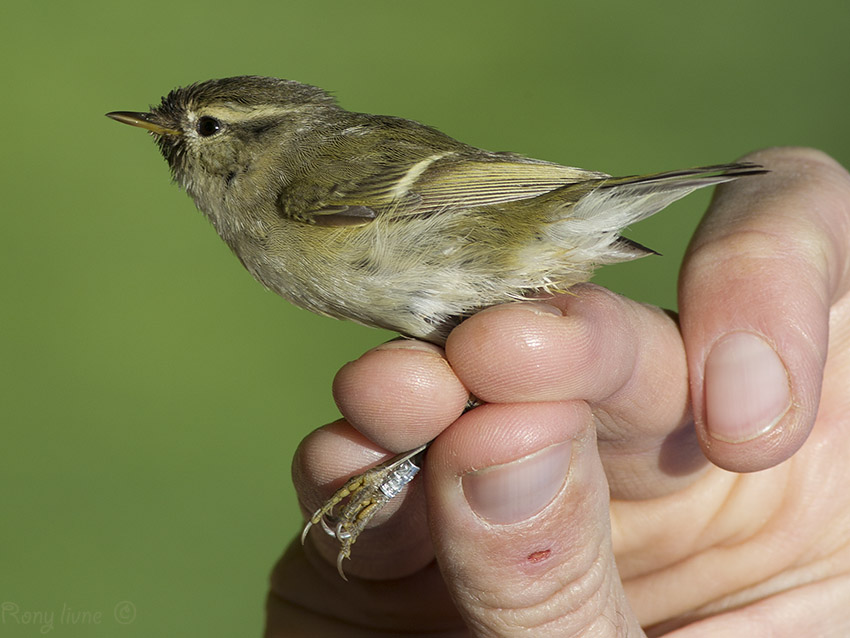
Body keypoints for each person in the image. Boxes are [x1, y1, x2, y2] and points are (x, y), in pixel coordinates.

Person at [266, 147, 850, 637]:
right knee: (473, 376)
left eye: (209, 129)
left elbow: (465, 181)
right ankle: (404, 469)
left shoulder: (300, 183)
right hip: (494, 271)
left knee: (483, 375)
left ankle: (404, 469)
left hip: (498, 228)